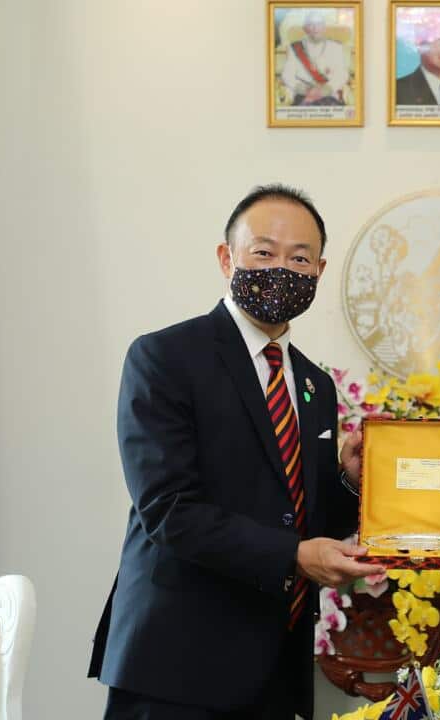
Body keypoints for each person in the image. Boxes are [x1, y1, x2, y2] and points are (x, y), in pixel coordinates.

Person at [88, 184, 382, 719]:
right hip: (177, 663)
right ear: (227, 259)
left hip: (276, 664)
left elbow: (300, 515)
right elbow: (169, 510)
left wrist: (346, 479)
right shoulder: (166, 357)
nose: (282, 270)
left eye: (299, 258)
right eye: (263, 253)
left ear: (319, 270)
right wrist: (294, 556)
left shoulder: (314, 384)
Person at [279, 12, 350, 106]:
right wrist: (304, 89)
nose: (315, 28)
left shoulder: (336, 47)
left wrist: (326, 89)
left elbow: (342, 74)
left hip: (329, 94)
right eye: (311, 24)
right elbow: (287, 74)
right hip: (303, 95)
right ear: (305, 28)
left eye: (319, 24)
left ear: (324, 28)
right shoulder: (295, 48)